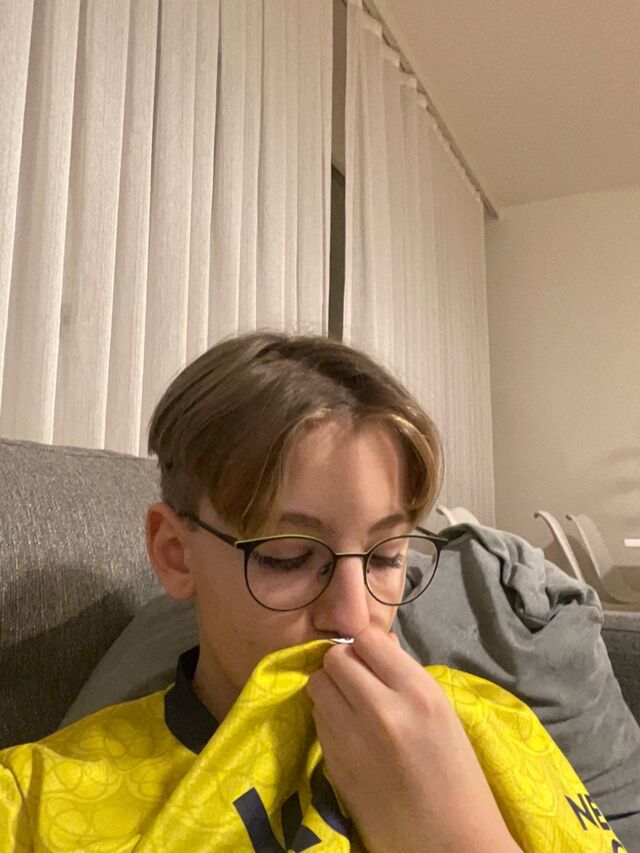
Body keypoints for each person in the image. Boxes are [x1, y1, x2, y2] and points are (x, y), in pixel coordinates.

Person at [0, 332, 626, 852]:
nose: (355, 617)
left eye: (386, 557)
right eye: (289, 558)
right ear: (175, 553)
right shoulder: (32, 801)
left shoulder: (492, 725)